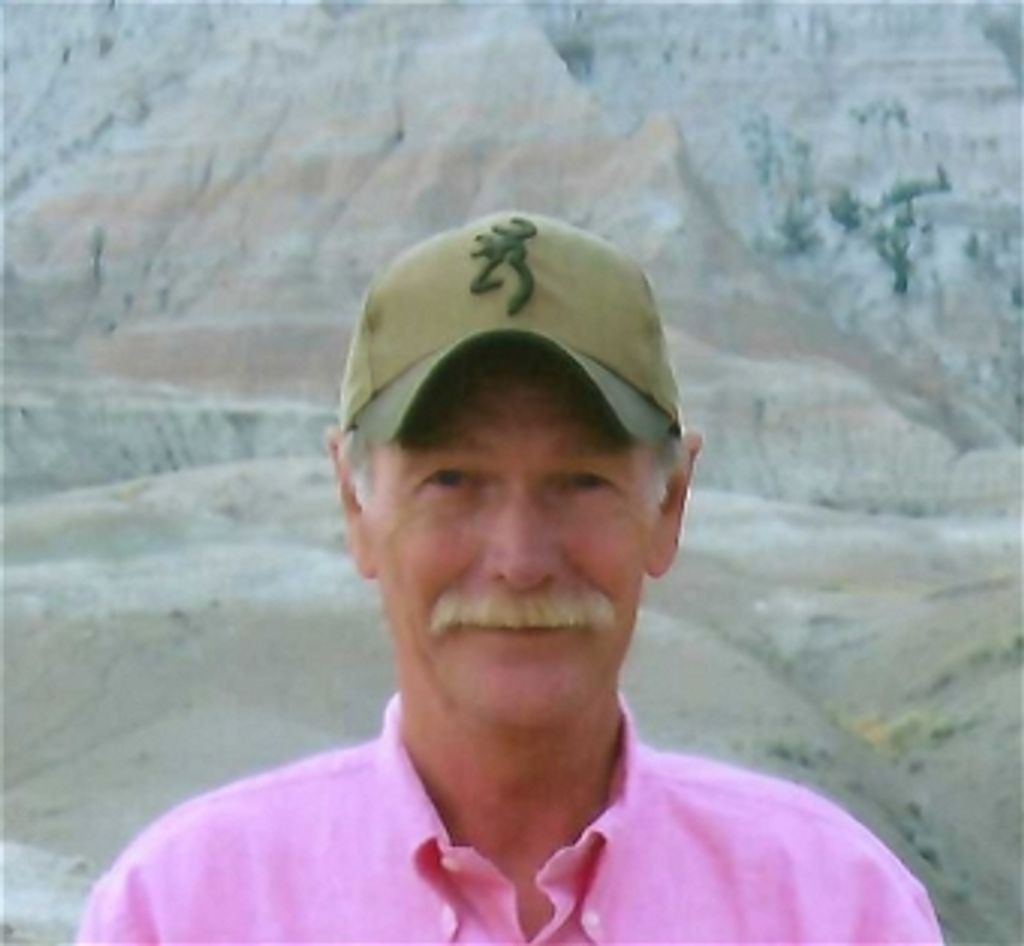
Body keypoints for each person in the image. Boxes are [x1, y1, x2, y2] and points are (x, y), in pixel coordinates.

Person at [77, 212, 944, 943]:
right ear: (354, 502)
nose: (521, 559)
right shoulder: (183, 911)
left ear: (671, 504)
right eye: (453, 480)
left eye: (581, 482)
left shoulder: (835, 908)